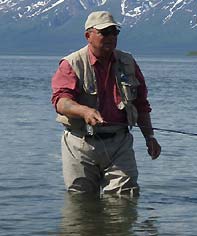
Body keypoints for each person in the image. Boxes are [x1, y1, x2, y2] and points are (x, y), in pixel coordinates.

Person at [51, 11, 161, 195]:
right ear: (88, 35)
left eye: (114, 32)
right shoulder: (71, 63)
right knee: (82, 202)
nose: (111, 36)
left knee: (126, 197)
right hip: (81, 142)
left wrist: (149, 137)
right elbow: (61, 102)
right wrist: (84, 111)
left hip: (119, 142)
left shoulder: (128, 62)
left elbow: (141, 104)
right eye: (105, 32)